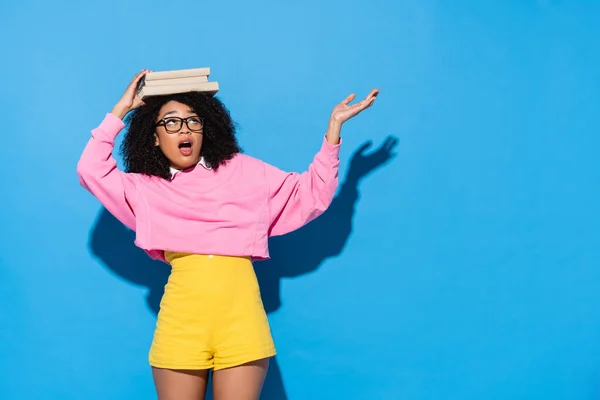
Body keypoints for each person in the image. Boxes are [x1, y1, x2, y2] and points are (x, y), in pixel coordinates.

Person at [77, 69, 379, 400]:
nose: (184, 129)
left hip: (242, 323)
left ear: (207, 127)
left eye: (193, 120)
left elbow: (310, 194)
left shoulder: (244, 171)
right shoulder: (145, 188)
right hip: (181, 324)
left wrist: (333, 132)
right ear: (153, 136)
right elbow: (91, 170)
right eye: (171, 122)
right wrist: (120, 110)